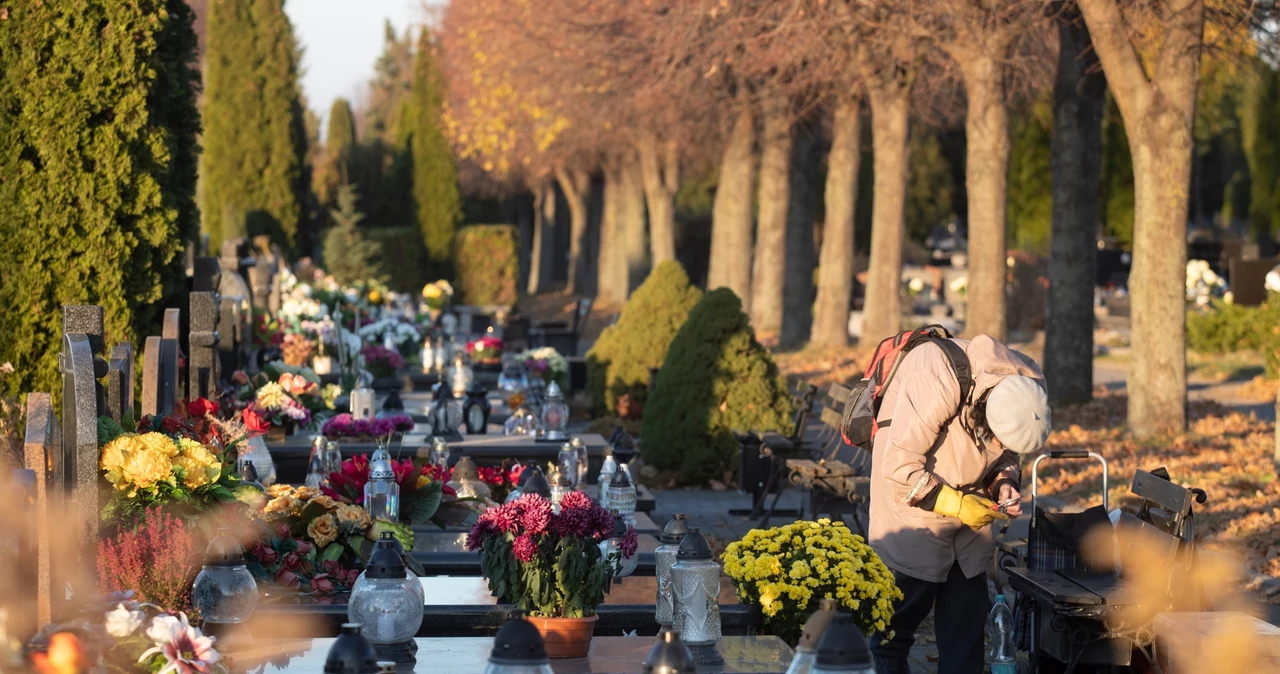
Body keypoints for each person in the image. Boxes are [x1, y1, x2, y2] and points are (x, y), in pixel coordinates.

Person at [868, 334, 1050, 674]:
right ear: (984, 409)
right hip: (912, 505)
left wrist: (1004, 483)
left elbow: (1005, 452)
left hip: (969, 525)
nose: (996, 442)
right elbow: (898, 466)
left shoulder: (1027, 390)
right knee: (896, 627)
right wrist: (956, 503)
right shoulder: (934, 376)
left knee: (965, 633)